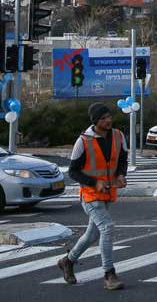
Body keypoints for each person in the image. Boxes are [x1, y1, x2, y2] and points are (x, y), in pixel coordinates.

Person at [57, 103, 128, 290]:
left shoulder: (119, 136)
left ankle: (68, 261)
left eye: (109, 117)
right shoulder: (83, 141)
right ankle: (109, 274)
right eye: (103, 118)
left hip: (107, 193)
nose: (108, 120)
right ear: (95, 121)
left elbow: (122, 160)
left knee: (92, 234)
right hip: (89, 194)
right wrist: (94, 183)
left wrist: (121, 174)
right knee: (107, 228)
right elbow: (73, 172)